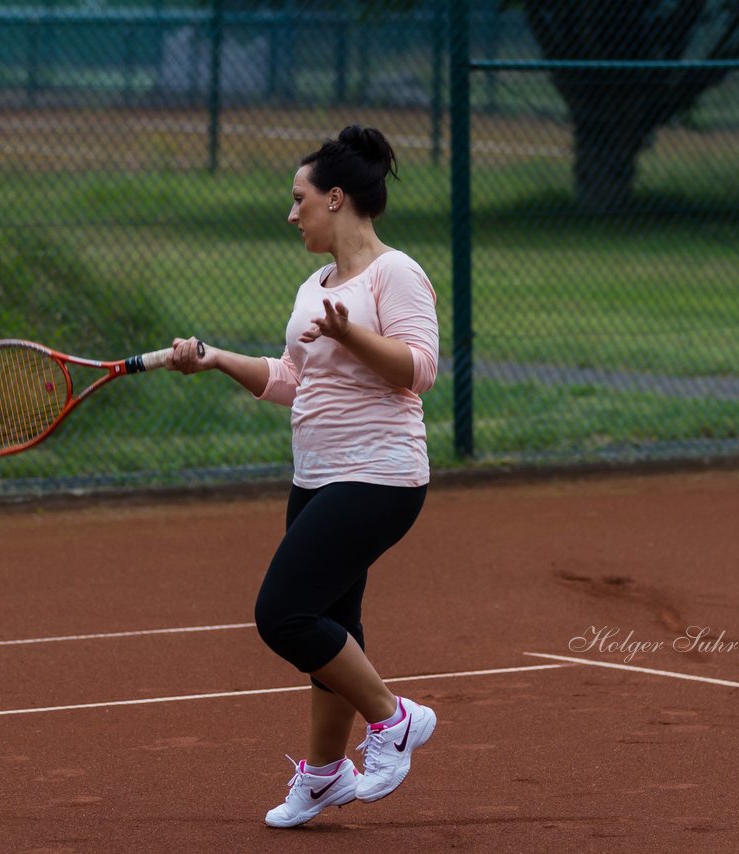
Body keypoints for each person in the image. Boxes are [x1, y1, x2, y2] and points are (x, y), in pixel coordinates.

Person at [167, 125, 440, 828]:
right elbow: (295, 379)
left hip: (380, 477)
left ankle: (395, 718)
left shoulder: (395, 273)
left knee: (282, 614)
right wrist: (219, 358)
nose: (292, 214)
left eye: (301, 199)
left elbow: (419, 370)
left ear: (338, 198)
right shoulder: (314, 284)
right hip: (316, 476)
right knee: (333, 624)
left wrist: (350, 333)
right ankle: (323, 776)